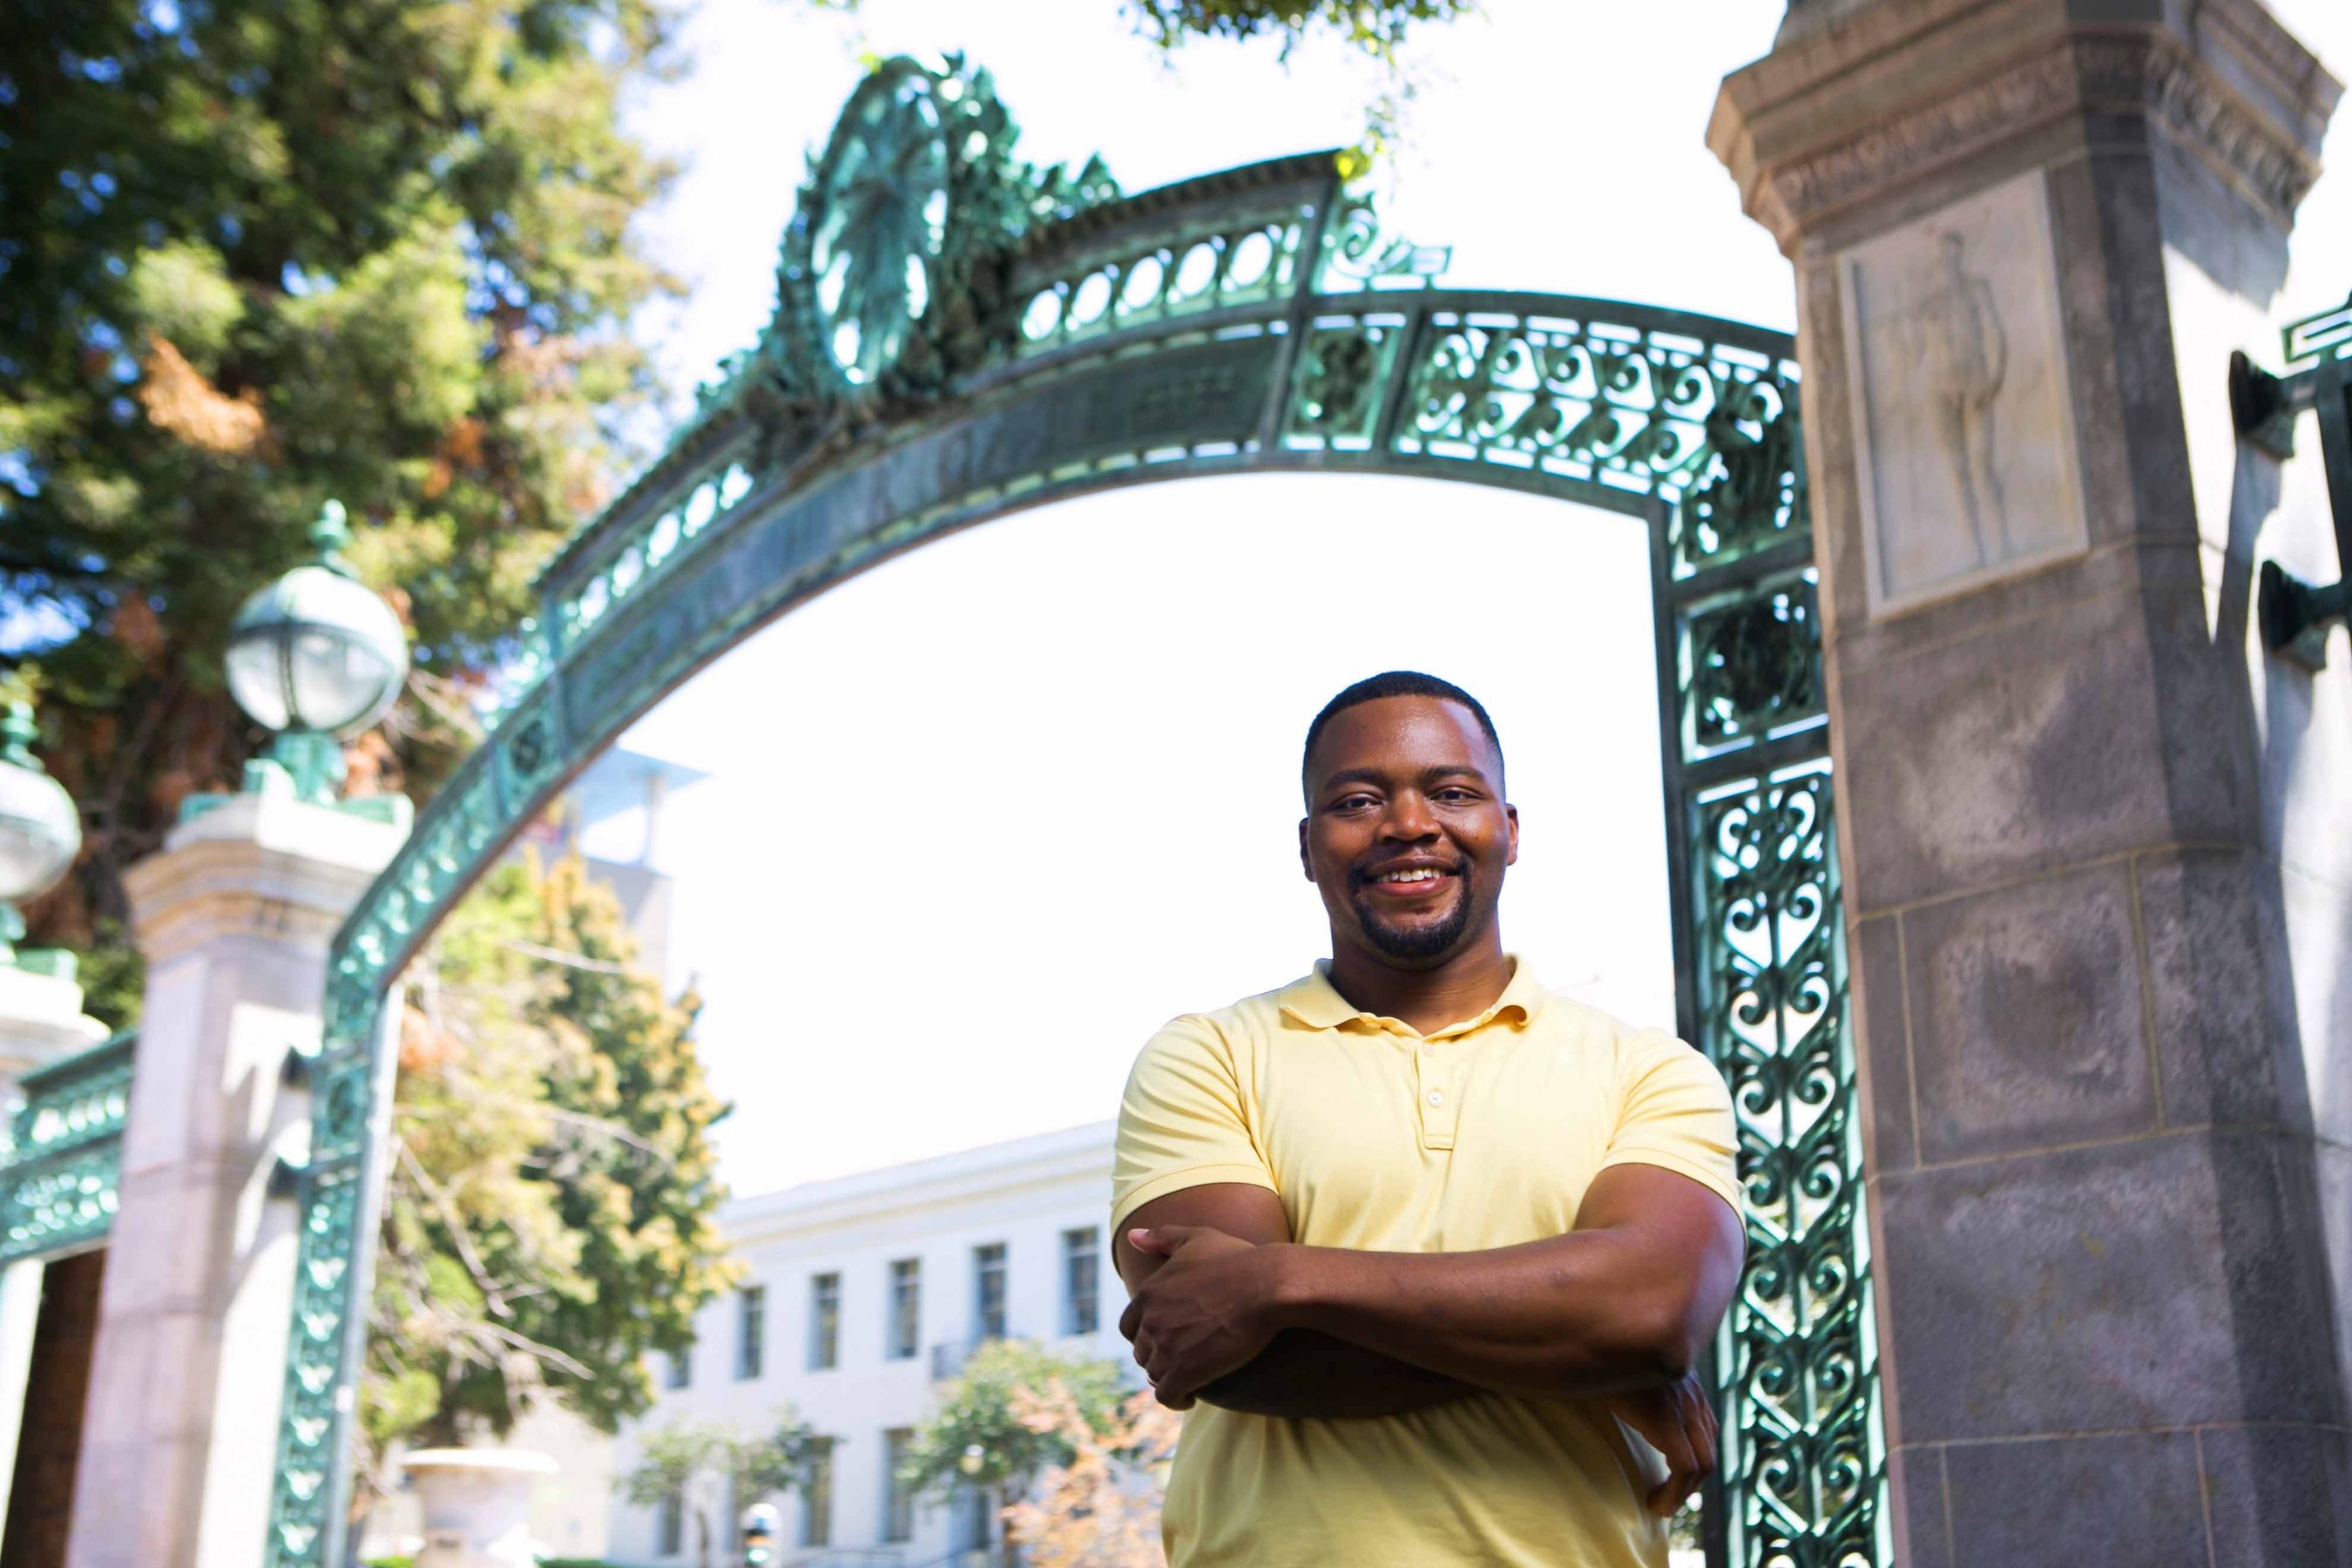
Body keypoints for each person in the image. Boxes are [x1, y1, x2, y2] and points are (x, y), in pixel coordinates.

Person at [1112, 670, 1745, 1567]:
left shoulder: (1647, 1070)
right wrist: (1578, 1356)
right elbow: (1223, 1349)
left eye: (1451, 792)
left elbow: (1650, 1312)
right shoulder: (1206, 1056)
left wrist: (1281, 1280)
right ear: (1307, 845)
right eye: (1359, 799)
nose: (1408, 824)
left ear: (1510, 830)